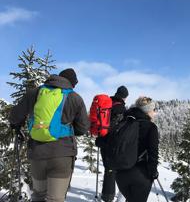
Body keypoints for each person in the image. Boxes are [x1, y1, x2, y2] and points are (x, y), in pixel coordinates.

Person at [9, 68, 90, 202]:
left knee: (38, 196)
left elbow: (14, 117)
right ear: (72, 83)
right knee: (55, 199)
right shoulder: (75, 98)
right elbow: (82, 128)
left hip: (37, 153)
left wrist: (18, 125)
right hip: (62, 155)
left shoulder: (35, 92)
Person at [115, 96, 159, 202]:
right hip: (140, 174)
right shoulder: (151, 127)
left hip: (120, 174)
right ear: (147, 111)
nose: (155, 113)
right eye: (153, 110)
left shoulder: (124, 122)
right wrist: (153, 172)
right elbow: (153, 153)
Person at [96, 85, 129, 202]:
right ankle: (108, 197)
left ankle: (106, 195)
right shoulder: (122, 109)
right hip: (113, 143)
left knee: (108, 169)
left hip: (102, 140)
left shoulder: (106, 105)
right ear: (125, 97)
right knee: (111, 170)